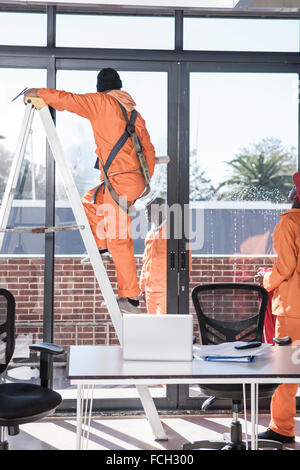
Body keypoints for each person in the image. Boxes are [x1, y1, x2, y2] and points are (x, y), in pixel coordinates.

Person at [24, 68, 156, 313]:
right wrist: (142, 183)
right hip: (132, 181)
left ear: (100, 88)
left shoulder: (101, 102)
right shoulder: (134, 113)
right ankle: (101, 245)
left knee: (120, 239)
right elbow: (148, 150)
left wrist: (38, 92)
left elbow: (68, 100)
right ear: (119, 86)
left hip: (120, 180)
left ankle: (131, 298)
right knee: (90, 199)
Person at [258, 172, 300, 444]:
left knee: (287, 370)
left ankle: (282, 430)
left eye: (293, 188)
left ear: (296, 195)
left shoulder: (289, 223)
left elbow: (284, 267)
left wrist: (265, 279)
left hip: (293, 310)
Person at [139, 197, 192, 314]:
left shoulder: (174, 231)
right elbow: (146, 261)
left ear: (162, 210)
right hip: (150, 290)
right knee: (153, 327)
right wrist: (142, 286)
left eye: (150, 209)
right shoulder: (150, 234)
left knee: (165, 326)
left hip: (167, 289)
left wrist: (182, 284)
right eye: (146, 210)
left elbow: (185, 258)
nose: (146, 213)